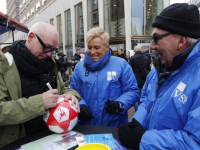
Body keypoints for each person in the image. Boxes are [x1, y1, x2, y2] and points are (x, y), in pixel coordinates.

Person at [118, 3, 200, 149]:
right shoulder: (160, 70)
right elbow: (148, 103)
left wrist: (143, 139)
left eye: (156, 38)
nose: (151, 46)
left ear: (181, 40)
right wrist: (136, 124)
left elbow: (195, 143)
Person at [0, 22, 81, 148]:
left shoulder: (50, 64)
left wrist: (71, 95)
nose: (49, 54)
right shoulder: (5, 65)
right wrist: (40, 103)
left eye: (53, 50)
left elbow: (63, 89)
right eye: (46, 47)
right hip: (20, 143)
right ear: (31, 37)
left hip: (53, 139)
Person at [70, 27, 140, 128]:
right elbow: (74, 91)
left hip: (114, 126)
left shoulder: (121, 64)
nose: (92, 52)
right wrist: (81, 105)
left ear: (107, 47)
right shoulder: (79, 67)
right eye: (89, 47)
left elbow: (132, 91)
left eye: (96, 47)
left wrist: (119, 104)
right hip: (87, 126)